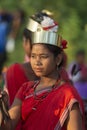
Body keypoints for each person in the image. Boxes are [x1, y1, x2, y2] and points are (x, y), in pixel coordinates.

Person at [0, 11, 85, 130]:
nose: (37, 62)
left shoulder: (68, 94)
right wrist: (2, 106)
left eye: (43, 57)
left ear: (58, 58)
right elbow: (8, 127)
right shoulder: (25, 89)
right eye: (33, 56)